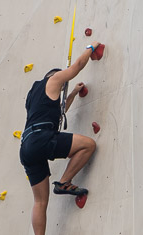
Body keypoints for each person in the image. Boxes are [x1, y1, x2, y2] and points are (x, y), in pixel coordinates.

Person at [20, 43, 101, 235]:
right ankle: (64, 181)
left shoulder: (33, 95)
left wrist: (72, 93)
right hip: (41, 138)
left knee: (40, 202)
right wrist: (91, 47)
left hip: (26, 147)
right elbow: (77, 66)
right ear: (54, 75)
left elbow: (59, 112)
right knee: (88, 145)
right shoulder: (54, 78)